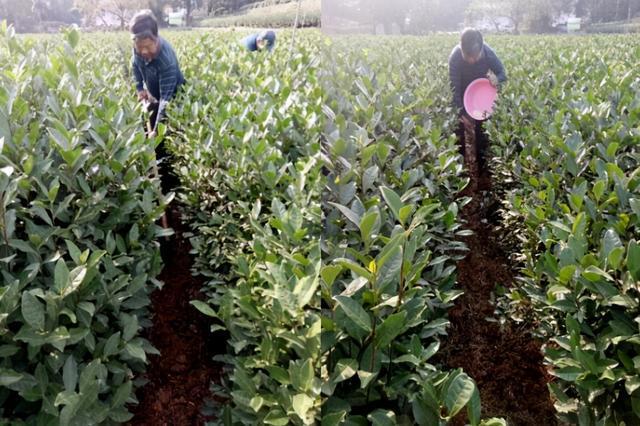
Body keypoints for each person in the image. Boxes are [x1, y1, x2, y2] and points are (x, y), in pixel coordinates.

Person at [130, 10, 185, 196]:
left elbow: (166, 101)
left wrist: (156, 129)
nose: (144, 52)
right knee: (150, 133)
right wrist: (139, 88)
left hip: (172, 99)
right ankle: (154, 177)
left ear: (155, 38)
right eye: (140, 47)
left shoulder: (165, 60)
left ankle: (168, 187)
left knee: (163, 143)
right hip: (156, 95)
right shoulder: (138, 47)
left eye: (148, 47)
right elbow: (135, 66)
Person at [448, 28, 506, 170]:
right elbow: (454, 88)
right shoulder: (455, 57)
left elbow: (502, 73)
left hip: (480, 97)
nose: (472, 60)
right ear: (461, 50)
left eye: (475, 57)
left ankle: (483, 169)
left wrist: (496, 79)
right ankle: (460, 170)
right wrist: (462, 113)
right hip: (462, 95)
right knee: (459, 135)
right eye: (468, 57)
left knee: (482, 134)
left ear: (481, 50)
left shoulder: (488, 53)